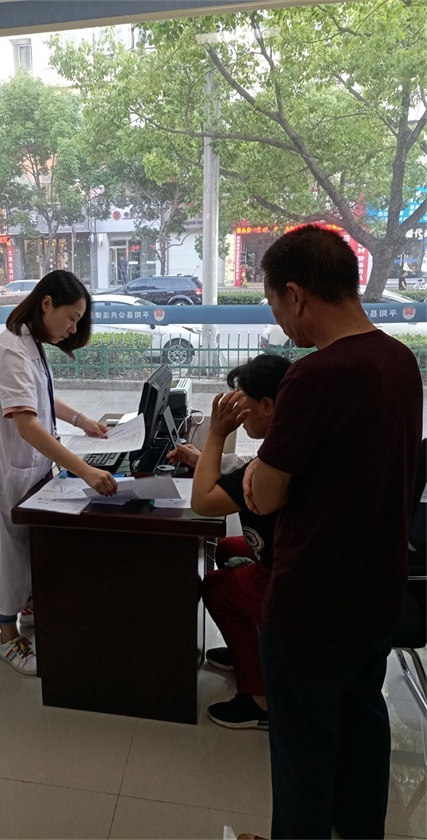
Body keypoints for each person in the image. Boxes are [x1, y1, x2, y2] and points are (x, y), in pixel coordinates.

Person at [241, 225, 422, 840]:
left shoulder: (314, 376)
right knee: (362, 733)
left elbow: (265, 494)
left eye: (273, 303)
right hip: (379, 589)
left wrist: (255, 473)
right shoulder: (399, 360)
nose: (278, 318)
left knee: (302, 751)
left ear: (296, 295)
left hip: (311, 599)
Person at [0, 270, 118, 676]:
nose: (73, 328)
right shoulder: (10, 349)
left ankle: (25, 608)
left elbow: (41, 395)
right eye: (72, 317)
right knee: (5, 557)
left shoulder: (30, 345)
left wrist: (82, 420)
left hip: (25, 471)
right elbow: (27, 425)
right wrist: (85, 471)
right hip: (2, 474)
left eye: (78, 321)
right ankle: (6, 638)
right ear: (47, 303)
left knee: (25, 549)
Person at [167, 354, 291, 730]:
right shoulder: (291, 439)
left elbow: (203, 502)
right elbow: (242, 473)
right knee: (224, 548)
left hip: (292, 579)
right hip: (290, 552)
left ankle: (259, 697)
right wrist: (206, 460)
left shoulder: (272, 463)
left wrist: (217, 434)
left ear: (267, 406)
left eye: (242, 402)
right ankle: (248, 650)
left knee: (218, 588)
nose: (237, 412)